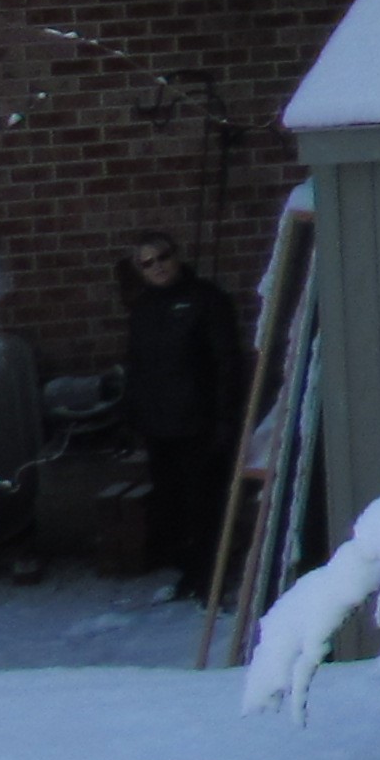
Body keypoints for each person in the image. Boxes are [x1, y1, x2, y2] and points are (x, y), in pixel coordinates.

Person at [117, 235, 245, 601]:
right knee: (172, 507)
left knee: (206, 505)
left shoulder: (207, 300)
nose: (157, 265)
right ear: (139, 271)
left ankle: (213, 579)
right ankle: (189, 575)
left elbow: (227, 363)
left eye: (163, 256)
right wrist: (132, 416)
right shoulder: (142, 309)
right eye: (147, 262)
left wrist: (225, 418)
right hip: (159, 428)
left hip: (201, 425)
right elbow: (136, 367)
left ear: (177, 256)